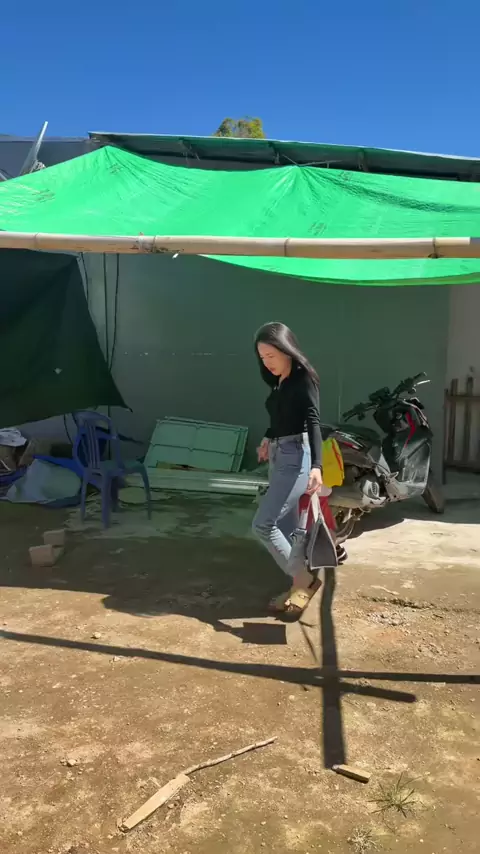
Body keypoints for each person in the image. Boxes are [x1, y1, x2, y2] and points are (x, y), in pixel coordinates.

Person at [252, 321, 325, 617]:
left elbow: (312, 421)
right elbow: (282, 417)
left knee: (263, 524)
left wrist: (317, 465)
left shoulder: (302, 378)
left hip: (296, 456)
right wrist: (268, 437)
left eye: (271, 355)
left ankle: (304, 580)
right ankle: (297, 586)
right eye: (262, 357)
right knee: (285, 526)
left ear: (287, 350)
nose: (266, 363)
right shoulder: (279, 381)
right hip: (279, 454)